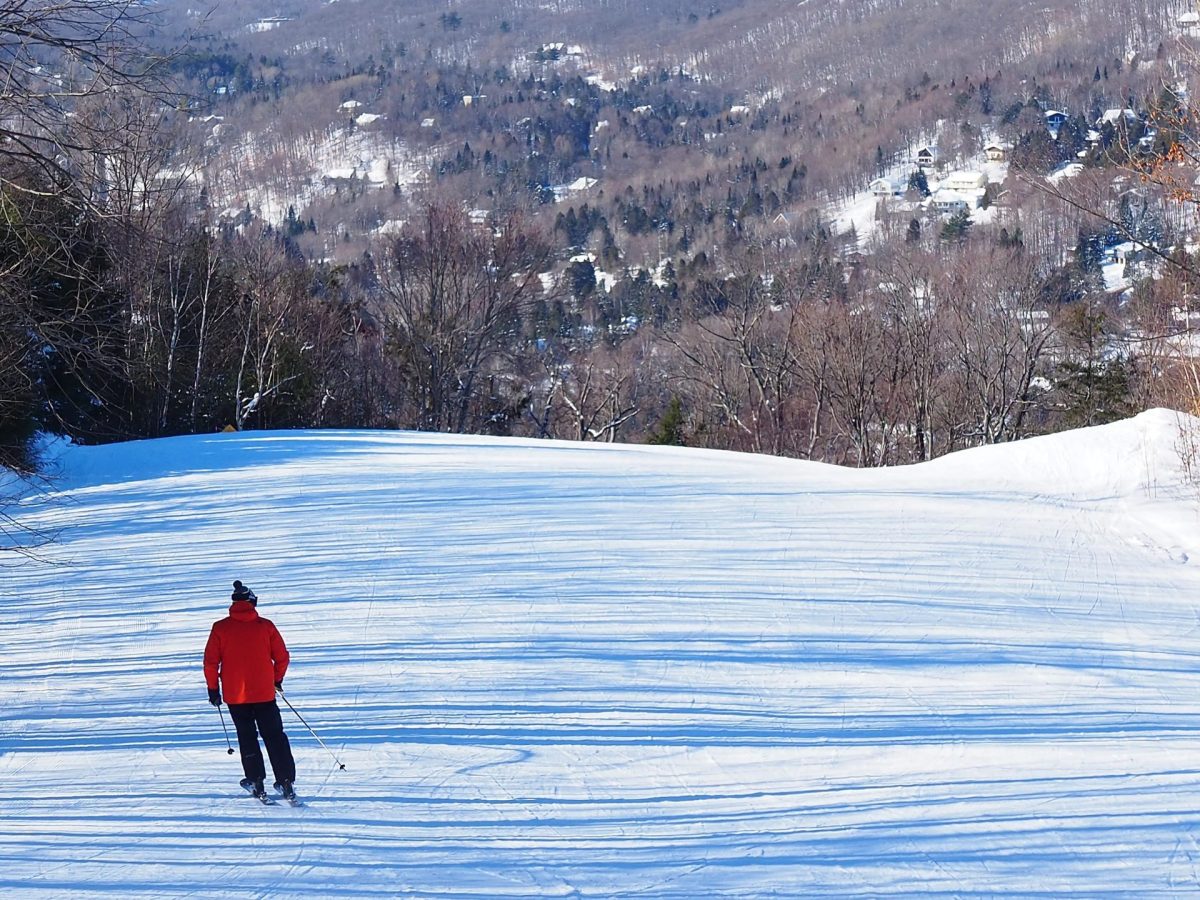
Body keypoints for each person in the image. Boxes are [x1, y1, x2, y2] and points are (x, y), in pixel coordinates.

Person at [204, 580, 297, 801]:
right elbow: (282, 657)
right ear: (252, 602)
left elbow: (210, 663)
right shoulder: (266, 626)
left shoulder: (220, 628)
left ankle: (256, 780)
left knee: (247, 738)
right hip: (264, 693)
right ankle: (285, 781)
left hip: (236, 696)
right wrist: (276, 679)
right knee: (274, 736)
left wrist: (212, 689)